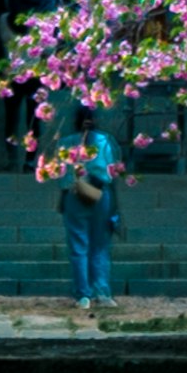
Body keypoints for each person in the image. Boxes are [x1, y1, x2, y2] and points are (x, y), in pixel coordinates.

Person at [52, 108, 121, 315]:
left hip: (74, 192)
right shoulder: (105, 140)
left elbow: (61, 174)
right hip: (100, 193)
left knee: (78, 245)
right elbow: (111, 170)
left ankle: (83, 294)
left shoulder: (65, 142)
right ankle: (101, 291)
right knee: (100, 245)